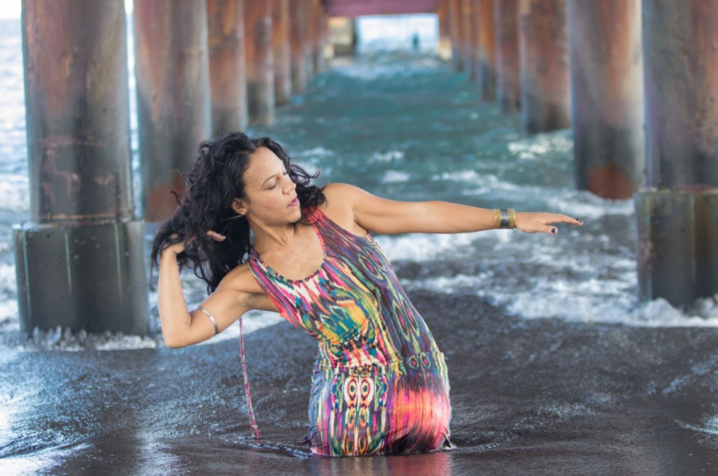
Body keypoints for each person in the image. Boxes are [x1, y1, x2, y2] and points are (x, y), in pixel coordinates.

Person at [152, 132, 582, 457]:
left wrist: (510, 218)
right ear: (240, 205)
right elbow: (179, 333)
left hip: (423, 392)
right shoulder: (251, 281)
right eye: (270, 185)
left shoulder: (337, 207)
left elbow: (425, 214)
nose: (288, 188)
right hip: (348, 416)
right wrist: (170, 256)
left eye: (285, 174)